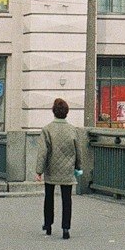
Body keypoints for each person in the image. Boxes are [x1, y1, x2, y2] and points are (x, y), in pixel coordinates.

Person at [35, 98, 83, 239]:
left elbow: (42, 152)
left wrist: (39, 171)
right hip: (67, 169)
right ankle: (66, 228)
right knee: (66, 199)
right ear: (67, 112)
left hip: (51, 168)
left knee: (49, 197)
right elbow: (78, 151)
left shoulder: (47, 129)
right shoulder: (73, 130)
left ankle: (48, 224)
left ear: (53, 112)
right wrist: (78, 168)